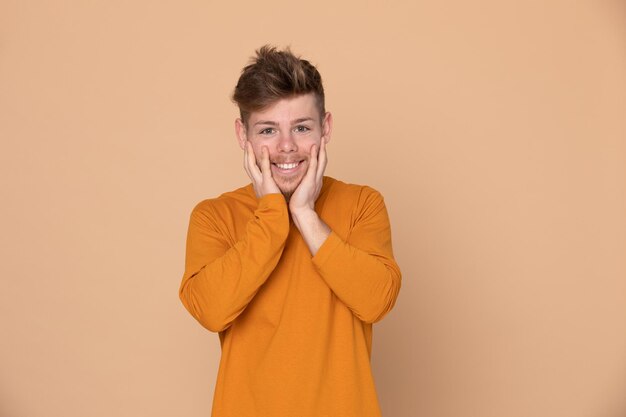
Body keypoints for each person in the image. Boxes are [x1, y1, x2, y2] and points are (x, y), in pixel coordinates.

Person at [178, 45, 402, 417]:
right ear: (242, 135)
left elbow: (376, 300)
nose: (286, 147)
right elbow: (212, 311)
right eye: (268, 130)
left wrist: (304, 213)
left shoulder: (363, 204)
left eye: (301, 127)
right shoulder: (214, 217)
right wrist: (271, 215)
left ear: (325, 127)